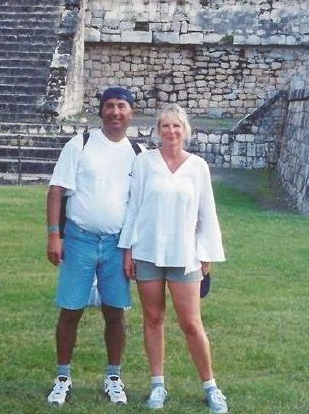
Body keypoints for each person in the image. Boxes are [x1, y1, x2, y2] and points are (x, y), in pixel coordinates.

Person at [119, 104, 228, 412]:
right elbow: (134, 206)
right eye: (165, 126)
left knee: (192, 323)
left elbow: (207, 212)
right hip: (148, 252)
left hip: (185, 255)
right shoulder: (144, 162)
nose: (171, 132)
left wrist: (206, 254)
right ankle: (157, 385)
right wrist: (128, 250)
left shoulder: (198, 166)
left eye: (177, 126)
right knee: (153, 319)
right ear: (158, 130)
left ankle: (210, 386)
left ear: (185, 130)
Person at [46, 86, 143, 406]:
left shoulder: (138, 153)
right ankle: (62, 377)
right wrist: (53, 235)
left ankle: (113, 377)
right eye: (110, 106)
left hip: (118, 244)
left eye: (122, 106)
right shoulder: (81, 144)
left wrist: (134, 249)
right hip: (79, 239)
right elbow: (57, 191)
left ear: (131, 112)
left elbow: (142, 203)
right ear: (100, 111)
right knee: (70, 309)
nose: (116, 112)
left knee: (115, 312)